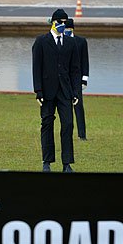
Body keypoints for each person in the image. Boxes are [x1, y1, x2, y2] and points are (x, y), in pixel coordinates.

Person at [32, 9, 81, 173]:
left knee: (67, 124)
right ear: (52, 22)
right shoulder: (41, 42)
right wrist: (38, 91)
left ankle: (67, 163)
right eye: (59, 22)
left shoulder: (70, 43)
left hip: (65, 92)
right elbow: (36, 68)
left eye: (64, 23)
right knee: (47, 124)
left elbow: (75, 69)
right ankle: (47, 161)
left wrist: (75, 92)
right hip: (47, 91)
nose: (62, 25)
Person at [65, 19, 89, 140]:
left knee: (78, 106)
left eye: (69, 29)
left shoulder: (81, 42)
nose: (67, 31)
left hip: (76, 80)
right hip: (64, 79)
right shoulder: (61, 41)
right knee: (64, 107)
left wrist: (84, 79)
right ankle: (67, 132)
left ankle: (82, 134)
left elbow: (85, 61)